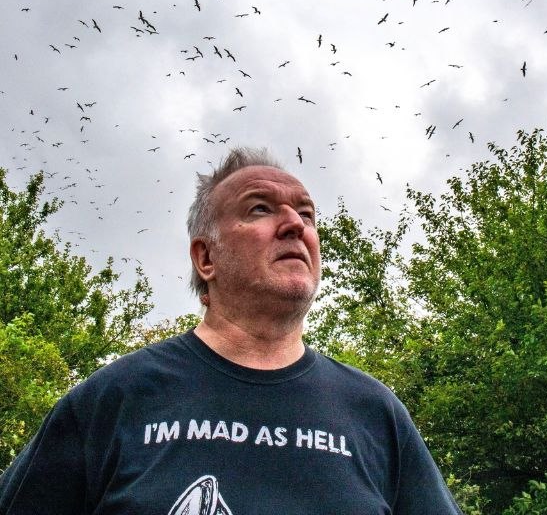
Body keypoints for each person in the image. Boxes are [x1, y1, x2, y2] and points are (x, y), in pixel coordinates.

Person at [0, 148, 462, 514]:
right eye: (260, 209)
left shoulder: (376, 414)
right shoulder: (112, 401)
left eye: (307, 215)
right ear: (206, 258)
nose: (295, 226)